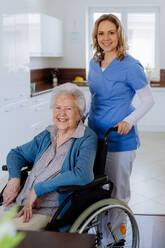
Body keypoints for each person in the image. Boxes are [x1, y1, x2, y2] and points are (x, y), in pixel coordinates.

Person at [88, 14, 154, 245]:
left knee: (118, 192)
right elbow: (94, 97)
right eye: (101, 33)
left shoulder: (130, 65)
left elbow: (148, 100)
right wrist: (81, 116)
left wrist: (130, 120)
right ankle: (99, 235)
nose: (106, 38)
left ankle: (117, 238)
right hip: (93, 137)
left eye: (111, 32)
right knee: (97, 190)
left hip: (119, 138)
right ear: (96, 37)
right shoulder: (94, 63)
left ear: (119, 34)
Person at [0, 83, 97, 230]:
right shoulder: (48, 134)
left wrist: (38, 189)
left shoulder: (86, 138)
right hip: (19, 203)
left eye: (68, 109)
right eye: (58, 108)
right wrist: (14, 179)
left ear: (79, 113)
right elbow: (16, 154)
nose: (61, 114)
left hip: (46, 210)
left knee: (6, 238)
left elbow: (83, 174)